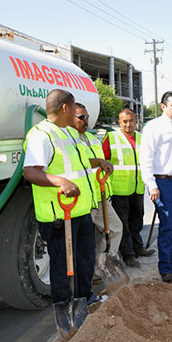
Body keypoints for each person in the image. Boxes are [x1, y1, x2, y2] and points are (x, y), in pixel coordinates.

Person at [23, 89, 110, 306]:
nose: (76, 113)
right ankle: (65, 305)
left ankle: (85, 298)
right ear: (65, 108)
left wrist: (98, 162)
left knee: (84, 260)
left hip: (80, 211)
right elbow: (31, 172)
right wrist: (61, 182)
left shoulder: (68, 133)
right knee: (63, 266)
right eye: (74, 108)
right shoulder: (41, 135)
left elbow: (79, 162)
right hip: (59, 216)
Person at [140, 91, 172, 283]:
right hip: (162, 183)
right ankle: (165, 268)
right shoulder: (154, 127)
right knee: (167, 226)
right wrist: (152, 185)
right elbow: (145, 158)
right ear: (163, 106)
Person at [72, 103, 123, 282]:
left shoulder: (92, 138)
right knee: (82, 242)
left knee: (116, 229)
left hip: (100, 196)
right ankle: (82, 277)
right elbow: (79, 162)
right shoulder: (70, 140)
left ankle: (102, 268)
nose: (86, 121)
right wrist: (99, 161)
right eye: (81, 117)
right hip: (84, 200)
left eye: (87, 117)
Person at [103, 108, 153, 268]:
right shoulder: (111, 137)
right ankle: (128, 255)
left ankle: (138, 248)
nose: (128, 124)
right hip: (119, 190)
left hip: (137, 188)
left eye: (131, 120)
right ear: (119, 122)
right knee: (122, 224)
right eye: (125, 121)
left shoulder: (141, 138)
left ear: (136, 121)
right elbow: (102, 161)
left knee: (137, 220)